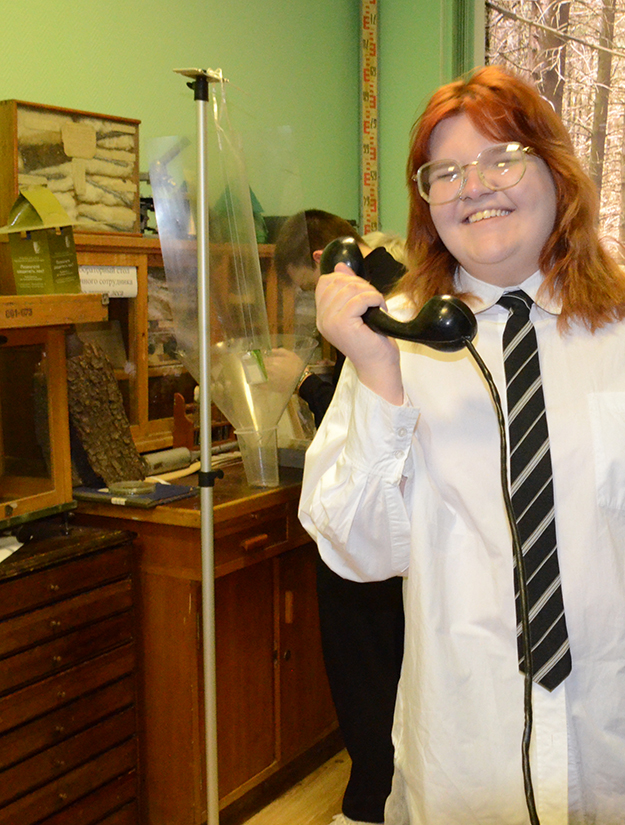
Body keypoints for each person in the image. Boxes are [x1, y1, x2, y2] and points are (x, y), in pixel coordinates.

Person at [299, 66, 625, 824]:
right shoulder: (397, 338)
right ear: (427, 201)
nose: (474, 187)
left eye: (501, 159)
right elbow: (360, 553)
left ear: (556, 170)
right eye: (446, 172)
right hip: (469, 746)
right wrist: (378, 373)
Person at [274, 210, 407, 825]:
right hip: (381, 525)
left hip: (371, 539)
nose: (315, 305)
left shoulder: (384, 302)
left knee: (368, 684)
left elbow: (371, 410)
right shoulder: (393, 282)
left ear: (322, 261)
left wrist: (302, 380)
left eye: (308, 288)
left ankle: (371, 803)